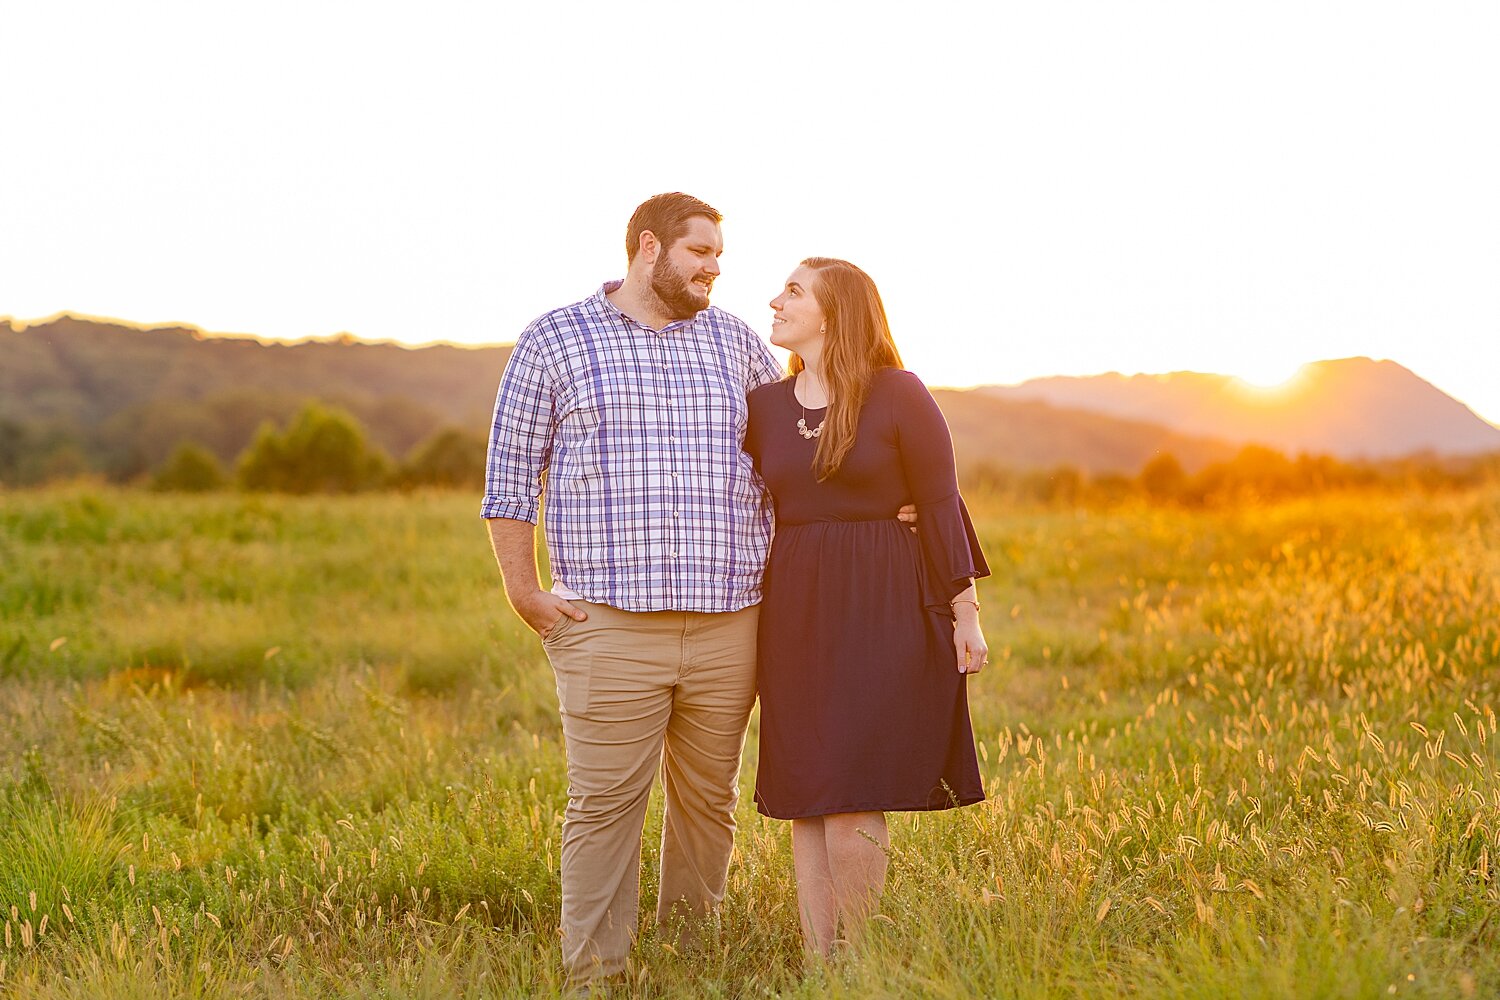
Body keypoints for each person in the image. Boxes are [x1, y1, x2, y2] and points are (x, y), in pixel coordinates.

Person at [481, 195, 913, 987]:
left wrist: (890, 494)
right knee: (605, 806)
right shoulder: (554, 339)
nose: (717, 268)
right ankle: (596, 975)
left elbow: (804, 433)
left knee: (708, 804)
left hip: (732, 622)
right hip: (607, 621)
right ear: (649, 248)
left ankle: (688, 960)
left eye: (720, 254)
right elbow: (508, 480)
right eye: (701, 252)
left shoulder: (736, 344)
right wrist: (524, 591)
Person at [744, 256, 990, 958]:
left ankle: (861, 960)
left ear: (834, 311)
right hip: (794, 609)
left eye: (792, 291)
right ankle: (823, 962)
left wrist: (963, 612)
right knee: (807, 790)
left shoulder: (900, 394)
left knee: (852, 786)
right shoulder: (764, 406)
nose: (776, 300)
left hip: (884, 603)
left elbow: (941, 503)